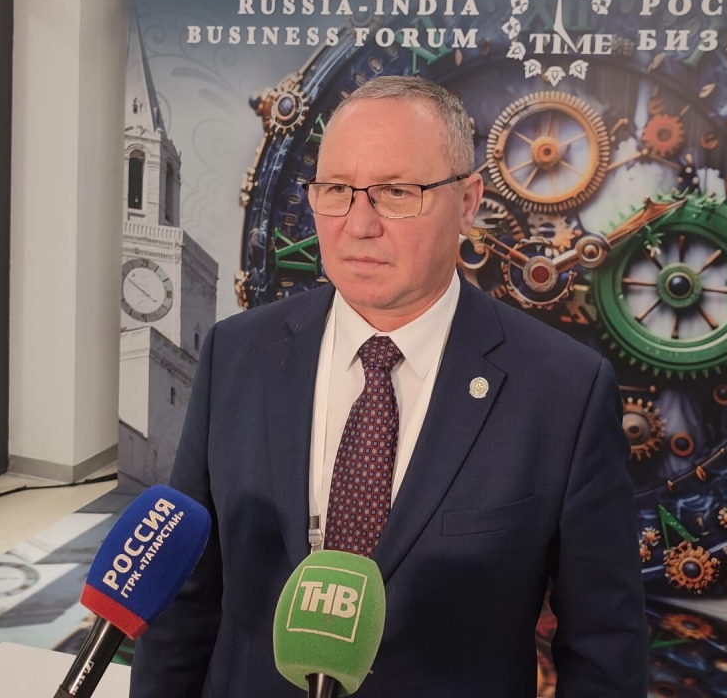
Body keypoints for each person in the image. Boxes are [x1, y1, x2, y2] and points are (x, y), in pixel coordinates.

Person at [130, 75, 647, 697]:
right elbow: (184, 598)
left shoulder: (564, 390)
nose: (358, 224)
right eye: (336, 190)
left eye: (397, 192)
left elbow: (604, 647)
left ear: (468, 202)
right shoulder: (236, 353)